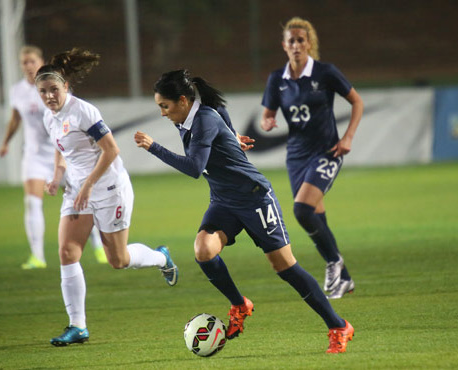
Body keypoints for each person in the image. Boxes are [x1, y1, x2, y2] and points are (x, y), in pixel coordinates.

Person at [134, 69, 354, 353]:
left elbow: (194, 168)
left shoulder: (202, 121)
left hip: (255, 199)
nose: (163, 113)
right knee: (203, 250)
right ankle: (240, 304)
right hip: (224, 201)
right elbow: (221, 110)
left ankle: (338, 326)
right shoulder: (191, 117)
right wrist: (232, 134)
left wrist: (154, 147)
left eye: (165, 106)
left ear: (183, 100)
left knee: (285, 268)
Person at [36, 47, 178, 347]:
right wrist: (56, 178)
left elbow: (111, 150)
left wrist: (88, 185)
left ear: (66, 87)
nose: (49, 96)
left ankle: (160, 257)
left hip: (108, 188)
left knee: (118, 259)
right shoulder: (50, 118)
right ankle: (78, 326)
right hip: (78, 191)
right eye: (43, 91)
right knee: (67, 252)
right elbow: (63, 153)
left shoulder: (83, 111)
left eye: (54, 90)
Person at [260, 17, 364, 299]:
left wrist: (348, 137)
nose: (296, 45)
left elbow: (357, 101)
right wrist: (268, 121)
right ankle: (344, 279)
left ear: (309, 44)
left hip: (327, 152)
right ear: (284, 46)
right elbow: (267, 114)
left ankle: (333, 263)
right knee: (317, 218)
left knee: (303, 210)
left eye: (300, 40)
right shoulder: (276, 80)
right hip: (296, 158)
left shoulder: (325, 72)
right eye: (291, 41)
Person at [0, 45, 108, 268]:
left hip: (65, 154)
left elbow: (71, 120)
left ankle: (99, 247)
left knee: (83, 200)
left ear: (40, 62)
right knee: (31, 202)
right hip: (35, 155)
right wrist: (6, 142)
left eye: (32, 61)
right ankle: (37, 256)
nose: (28, 66)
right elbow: (15, 119)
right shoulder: (17, 91)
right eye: (24, 62)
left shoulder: (55, 86)